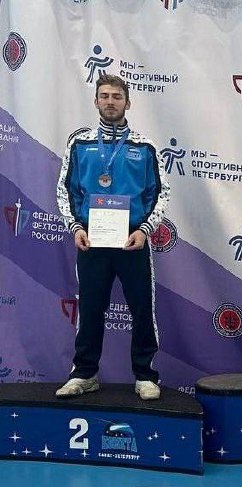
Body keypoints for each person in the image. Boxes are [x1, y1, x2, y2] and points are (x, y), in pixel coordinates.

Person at [55, 74, 170, 400]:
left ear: (127, 103)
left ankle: (145, 376)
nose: (110, 102)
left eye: (116, 96)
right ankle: (84, 373)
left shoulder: (145, 147)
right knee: (90, 307)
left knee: (141, 309)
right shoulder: (79, 144)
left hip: (132, 241)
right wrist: (76, 228)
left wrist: (144, 230)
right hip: (92, 241)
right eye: (104, 96)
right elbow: (65, 189)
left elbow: (161, 193)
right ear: (95, 101)